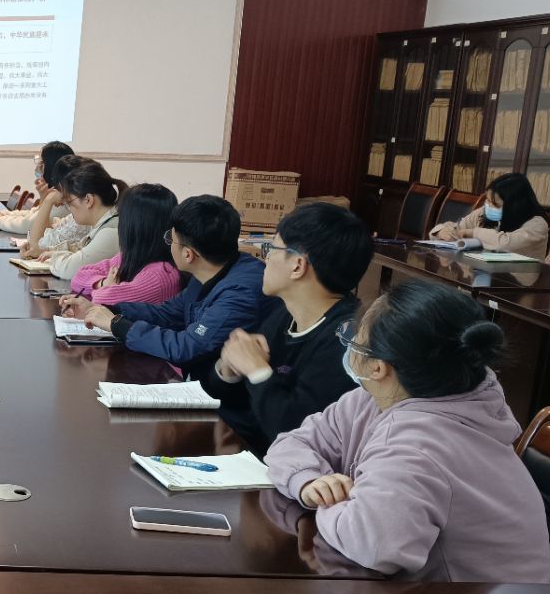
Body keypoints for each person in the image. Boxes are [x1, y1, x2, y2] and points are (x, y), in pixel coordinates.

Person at [266, 280, 550, 582]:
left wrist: (331, 502)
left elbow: (376, 545)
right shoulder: (374, 399)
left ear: (378, 367)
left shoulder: (420, 445)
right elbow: (290, 444)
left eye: (355, 336)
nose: (350, 342)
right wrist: (309, 480)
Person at [200, 201, 374, 454]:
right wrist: (229, 368)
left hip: (287, 468)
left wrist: (258, 371)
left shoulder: (346, 340)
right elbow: (233, 398)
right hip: (241, 447)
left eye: (271, 248)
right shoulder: (284, 314)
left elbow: (295, 431)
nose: (266, 257)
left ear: (297, 266)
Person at [87, 194, 273, 380]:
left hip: (226, 392)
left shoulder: (240, 294)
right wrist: (110, 310)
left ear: (188, 254)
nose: (168, 245)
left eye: (170, 239)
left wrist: (117, 325)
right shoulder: (210, 269)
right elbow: (168, 313)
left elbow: (185, 348)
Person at [58, 184, 181, 311]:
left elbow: (102, 301)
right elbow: (79, 277)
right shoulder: (130, 258)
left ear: (133, 226)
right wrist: (103, 283)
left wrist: (107, 288)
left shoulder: (161, 274)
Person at [30, 162, 126, 280]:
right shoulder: (103, 224)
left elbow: (70, 270)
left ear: (88, 200)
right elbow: (79, 250)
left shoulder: (111, 232)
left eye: (70, 202)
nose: (69, 209)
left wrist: (53, 258)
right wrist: (47, 251)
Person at [427, 172, 550, 258]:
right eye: (488, 200)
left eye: (495, 204)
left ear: (515, 206)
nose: (488, 206)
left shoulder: (537, 224)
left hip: (516, 283)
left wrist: (472, 232)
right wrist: (442, 232)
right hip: (482, 274)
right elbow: (458, 227)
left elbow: (504, 243)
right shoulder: (484, 212)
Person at [0, 141, 74, 228]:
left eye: (41, 164)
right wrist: (2, 214)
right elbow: (32, 213)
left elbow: (29, 224)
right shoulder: (54, 194)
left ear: (51, 169)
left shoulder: (62, 201)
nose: (38, 168)